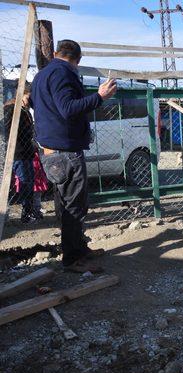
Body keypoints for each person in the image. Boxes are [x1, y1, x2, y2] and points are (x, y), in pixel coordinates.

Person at [29, 39, 117, 273]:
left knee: (69, 203)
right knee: (73, 206)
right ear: (77, 59)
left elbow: (38, 105)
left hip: (52, 150)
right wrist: (100, 96)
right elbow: (67, 108)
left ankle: (79, 248)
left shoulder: (41, 76)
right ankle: (72, 258)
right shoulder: (63, 73)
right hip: (65, 151)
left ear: (57, 53)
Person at [3, 85, 37, 223]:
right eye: (28, 97)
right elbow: (6, 129)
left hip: (26, 151)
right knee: (24, 182)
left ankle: (28, 212)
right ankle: (26, 213)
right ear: (22, 95)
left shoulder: (25, 111)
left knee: (28, 182)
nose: (29, 101)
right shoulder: (11, 109)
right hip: (17, 152)